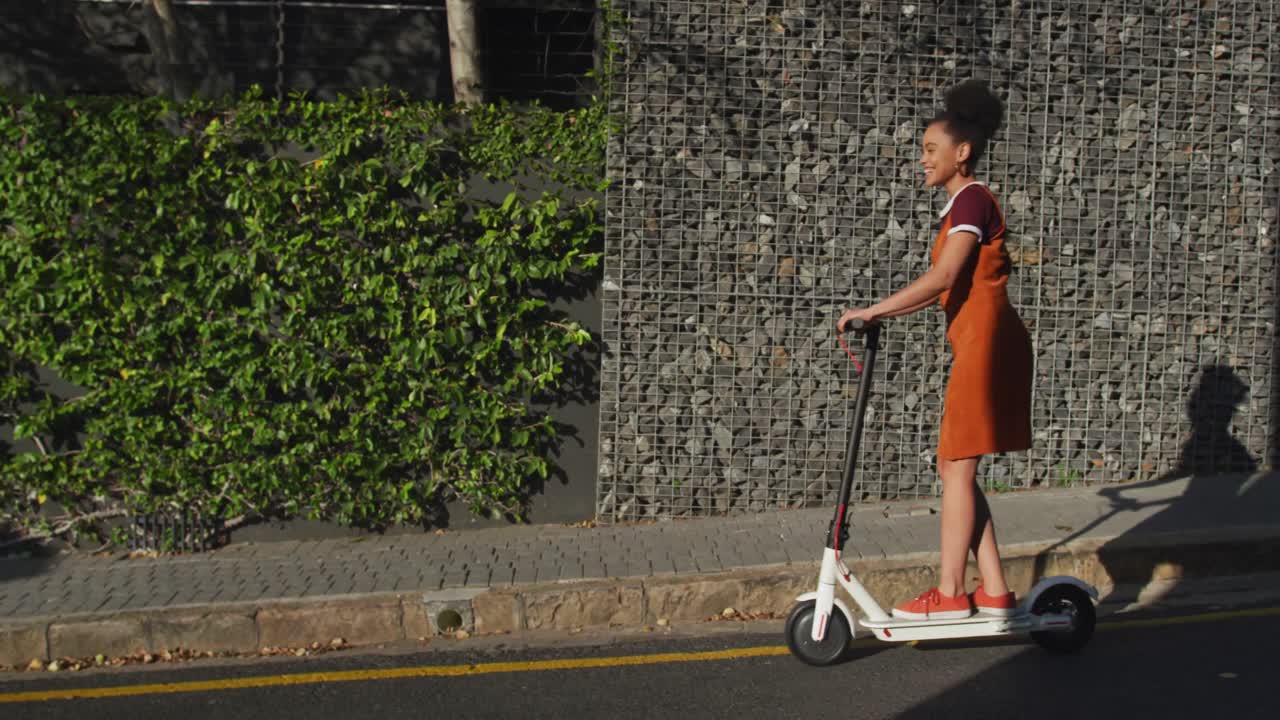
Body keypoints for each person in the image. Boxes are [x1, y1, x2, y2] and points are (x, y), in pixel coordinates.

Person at [837, 80, 1033, 620]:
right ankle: (992, 589)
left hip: (988, 345)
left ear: (960, 152)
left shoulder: (971, 199)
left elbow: (944, 274)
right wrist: (879, 313)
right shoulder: (961, 205)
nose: (922, 159)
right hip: (979, 341)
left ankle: (950, 593)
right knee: (955, 467)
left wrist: (874, 309)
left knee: (957, 467)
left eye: (930, 149)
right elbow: (947, 287)